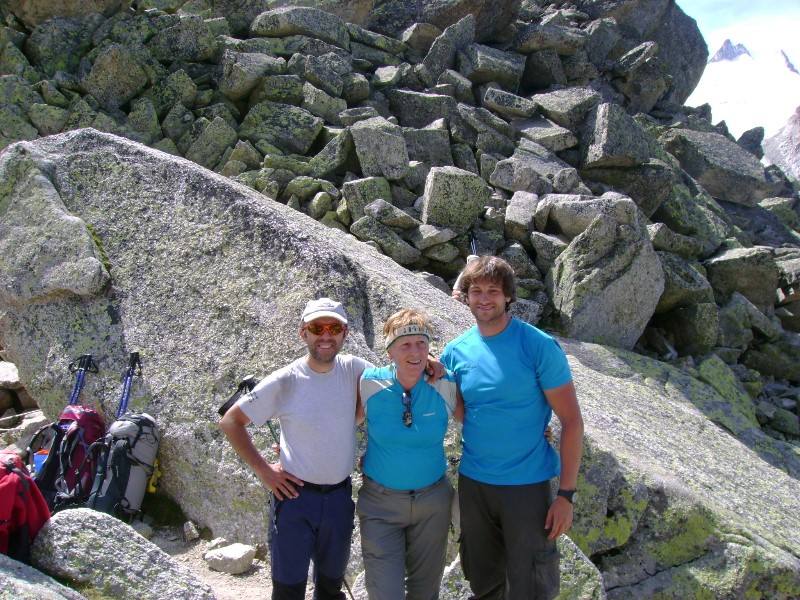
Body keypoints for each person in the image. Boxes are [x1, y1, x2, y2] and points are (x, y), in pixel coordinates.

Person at [441, 256, 584, 600]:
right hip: (475, 483)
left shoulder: (537, 346)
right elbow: (464, 410)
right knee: (482, 576)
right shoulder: (455, 352)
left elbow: (572, 421)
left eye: (493, 290)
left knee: (530, 583)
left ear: (508, 297)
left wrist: (566, 495)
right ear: (465, 296)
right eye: (476, 291)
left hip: (526, 486)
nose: (484, 298)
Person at [219, 298, 371, 600]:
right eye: (317, 327)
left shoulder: (356, 368)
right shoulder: (285, 379)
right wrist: (265, 472)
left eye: (334, 328)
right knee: (289, 589)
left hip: (340, 498)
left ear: (345, 333)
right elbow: (230, 422)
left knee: (330, 587)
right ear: (304, 333)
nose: (326, 335)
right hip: (295, 499)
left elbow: (393, 382)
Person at [356, 309, 463, 600]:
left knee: (425, 591)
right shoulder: (369, 383)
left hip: (432, 503)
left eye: (422, 344)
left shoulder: (445, 383)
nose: (415, 352)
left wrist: (537, 431)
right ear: (389, 351)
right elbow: (338, 424)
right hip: (380, 504)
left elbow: (478, 422)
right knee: (385, 591)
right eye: (405, 345)